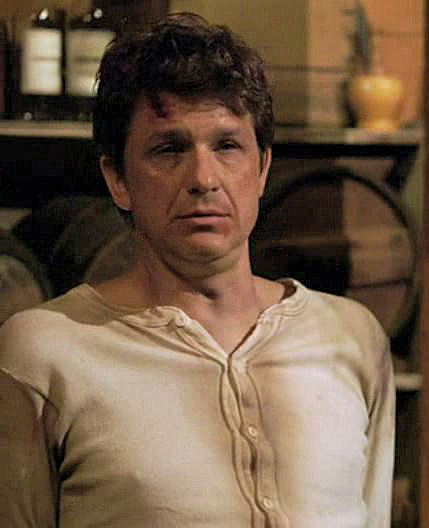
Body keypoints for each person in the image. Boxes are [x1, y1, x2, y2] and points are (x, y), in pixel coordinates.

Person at [0, 13, 394, 527]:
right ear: (118, 179)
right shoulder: (46, 352)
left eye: (227, 146)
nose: (204, 178)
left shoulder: (351, 338)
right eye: (169, 149)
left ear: (262, 168)